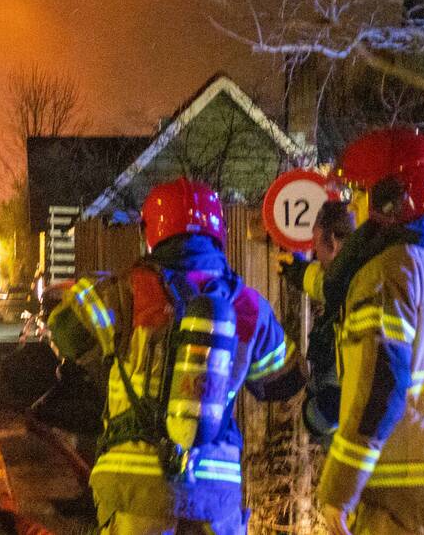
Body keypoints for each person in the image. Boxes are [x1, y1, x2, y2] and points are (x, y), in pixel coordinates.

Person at [48, 178, 305, 534]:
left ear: (149, 232)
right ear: (219, 233)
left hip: (136, 491)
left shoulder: (123, 291)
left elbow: (64, 331)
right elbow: (284, 382)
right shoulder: (247, 305)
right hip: (215, 495)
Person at [316, 128, 424, 535]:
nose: (355, 209)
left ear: (390, 199)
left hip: (400, 499)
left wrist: (339, 488)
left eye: (360, 195)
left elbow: (379, 388)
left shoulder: (389, 272)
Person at [279, 201, 355, 444]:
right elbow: (327, 285)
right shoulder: (358, 276)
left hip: (348, 444)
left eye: (316, 247)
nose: (315, 257)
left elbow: (339, 393)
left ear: (332, 241)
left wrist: (315, 416)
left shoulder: (353, 289)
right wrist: (298, 271)